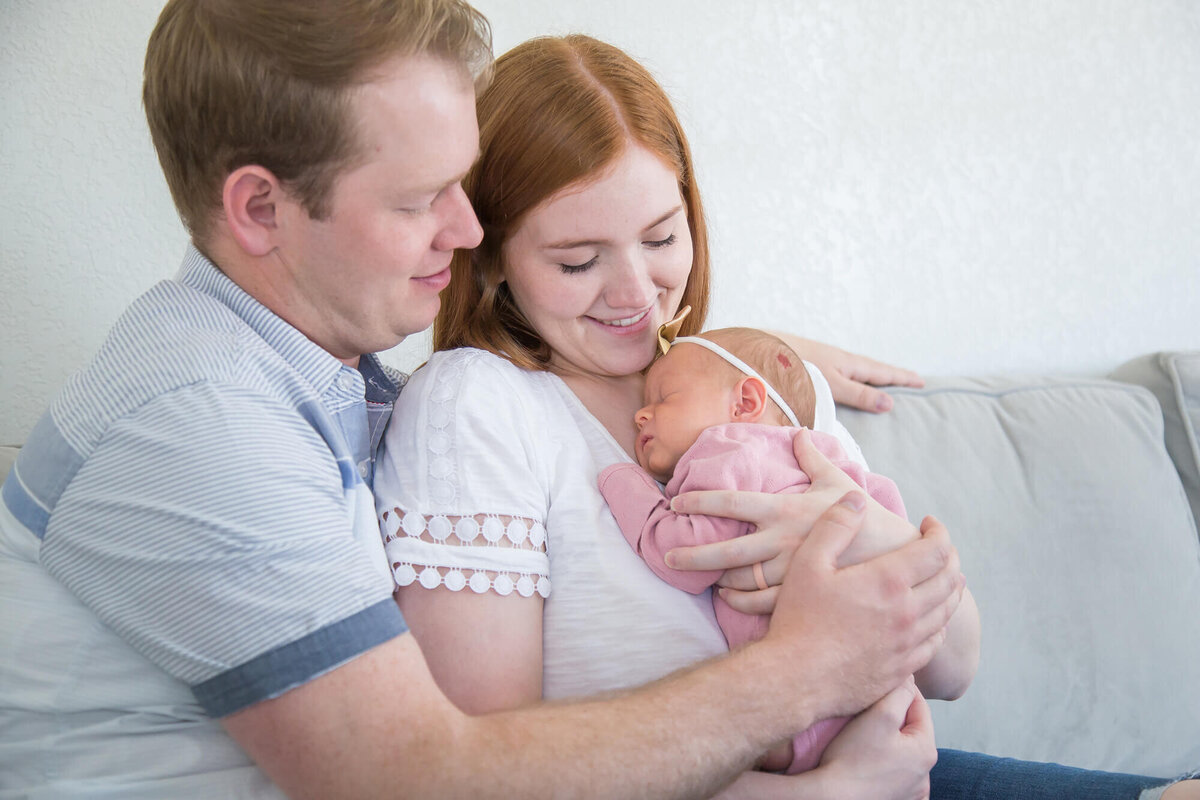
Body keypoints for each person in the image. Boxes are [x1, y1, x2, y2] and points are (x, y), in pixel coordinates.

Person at [0, 2, 970, 798]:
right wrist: (815, 684)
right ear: (260, 209)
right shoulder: (202, 423)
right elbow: (429, 779)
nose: (466, 229)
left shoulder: (311, 379)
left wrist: (758, 367)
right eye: (423, 197)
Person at [375, 31, 1196, 800]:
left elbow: (957, 664)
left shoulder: (748, 378)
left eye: (662, 238)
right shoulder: (476, 408)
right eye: (578, 260)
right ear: (493, 259)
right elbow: (483, 776)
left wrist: (866, 535)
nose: (634, 293)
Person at [598, 323, 939, 774]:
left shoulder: (727, 448)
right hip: (890, 694)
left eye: (664, 397)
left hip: (805, 716)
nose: (642, 414)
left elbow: (682, 556)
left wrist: (623, 482)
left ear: (745, 403)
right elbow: (888, 510)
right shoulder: (832, 459)